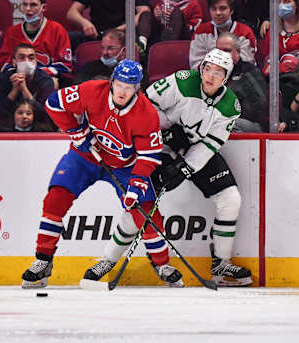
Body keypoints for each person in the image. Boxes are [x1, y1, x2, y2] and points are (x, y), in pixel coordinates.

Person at [21, 59, 184, 288]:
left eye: (129, 87)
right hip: (84, 157)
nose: (122, 91)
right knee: (55, 199)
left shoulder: (146, 113)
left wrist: (137, 184)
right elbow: (54, 103)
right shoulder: (91, 90)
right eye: (119, 84)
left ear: (137, 88)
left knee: (146, 212)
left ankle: (162, 264)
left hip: (124, 167)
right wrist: (75, 131)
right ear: (112, 81)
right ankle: (43, 261)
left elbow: (149, 155)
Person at [145, 48, 253, 286]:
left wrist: (184, 167)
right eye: (207, 69)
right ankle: (157, 260)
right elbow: (146, 103)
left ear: (226, 77)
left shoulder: (230, 106)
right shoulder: (182, 81)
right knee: (144, 195)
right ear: (201, 68)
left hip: (194, 151)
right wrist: (167, 129)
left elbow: (210, 144)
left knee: (230, 199)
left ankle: (221, 264)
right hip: (159, 143)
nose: (210, 76)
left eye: (218, 72)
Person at [0, 0, 73, 85]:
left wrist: (37, 74)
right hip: (18, 82)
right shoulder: (12, 32)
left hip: (47, 81)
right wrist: (22, 75)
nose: (28, 9)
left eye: (33, 5)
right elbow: (3, 64)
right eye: (25, 5)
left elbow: (65, 66)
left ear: (43, 8)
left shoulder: (58, 31)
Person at [0, 43, 55, 131]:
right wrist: (14, 90)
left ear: (36, 61)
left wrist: (24, 89)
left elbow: (46, 113)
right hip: (6, 128)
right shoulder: (3, 79)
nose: (27, 61)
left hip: (39, 128)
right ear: (14, 62)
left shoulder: (45, 80)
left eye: (31, 58)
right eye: (22, 58)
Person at [216, 32, 268, 132]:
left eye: (227, 50)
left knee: (222, 124)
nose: (221, 55)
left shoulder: (250, 72)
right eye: (218, 51)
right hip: (224, 120)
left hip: (250, 123)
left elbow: (259, 108)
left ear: (238, 51)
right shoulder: (213, 73)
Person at [189, 0, 257, 69]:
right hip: (209, 77)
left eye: (223, 8)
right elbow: (195, 66)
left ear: (231, 11)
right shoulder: (200, 32)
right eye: (214, 9)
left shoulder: (245, 32)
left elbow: (246, 66)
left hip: (238, 78)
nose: (218, 13)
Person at [66, 0, 151, 52]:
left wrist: (119, 29)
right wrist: (84, 22)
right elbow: (71, 13)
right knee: (67, 37)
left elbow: (144, 13)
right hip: (96, 34)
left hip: (123, 35)